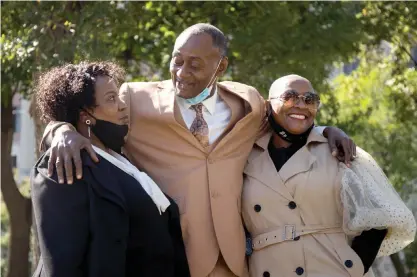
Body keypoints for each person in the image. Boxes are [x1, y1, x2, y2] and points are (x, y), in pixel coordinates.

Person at [40, 24, 357, 277]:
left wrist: (325, 130)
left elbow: (287, 122)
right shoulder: (133, 100)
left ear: (221, 66)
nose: (181, 72)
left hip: (236, 261)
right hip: (175, 259)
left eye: (195, 64)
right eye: (177, 60)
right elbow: (82, 112)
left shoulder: (247, 103)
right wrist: (60, 129)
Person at [242, 74, 416, 277]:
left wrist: (354, 266)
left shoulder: (341, 150)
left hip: (331, 268)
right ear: (268, 104)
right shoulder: (245, 156)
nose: (301, 105)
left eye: (310, 100)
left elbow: (377, 219)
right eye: (290, 96)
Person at [31, 61, 190, 277]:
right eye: (111, 99)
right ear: (85, 115)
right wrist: (59, 130)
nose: (123, 105)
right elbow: (63, 262)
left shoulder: (122, 160)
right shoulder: (65, 163)